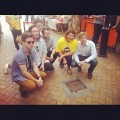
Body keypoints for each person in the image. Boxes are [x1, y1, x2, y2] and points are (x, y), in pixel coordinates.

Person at [11, 32, 47, 98]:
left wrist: (39, 77)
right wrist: (36, 81)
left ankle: (30, 81)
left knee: (43, 75)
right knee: (32, 86)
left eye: (32, 42)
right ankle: (22, 89)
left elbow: (34, 66)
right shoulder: (20, 55)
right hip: (19, 75)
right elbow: (24, 73)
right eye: (29, 42)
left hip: (28, 71)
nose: (31, 44)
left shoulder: (30, 51)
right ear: (23, 42)